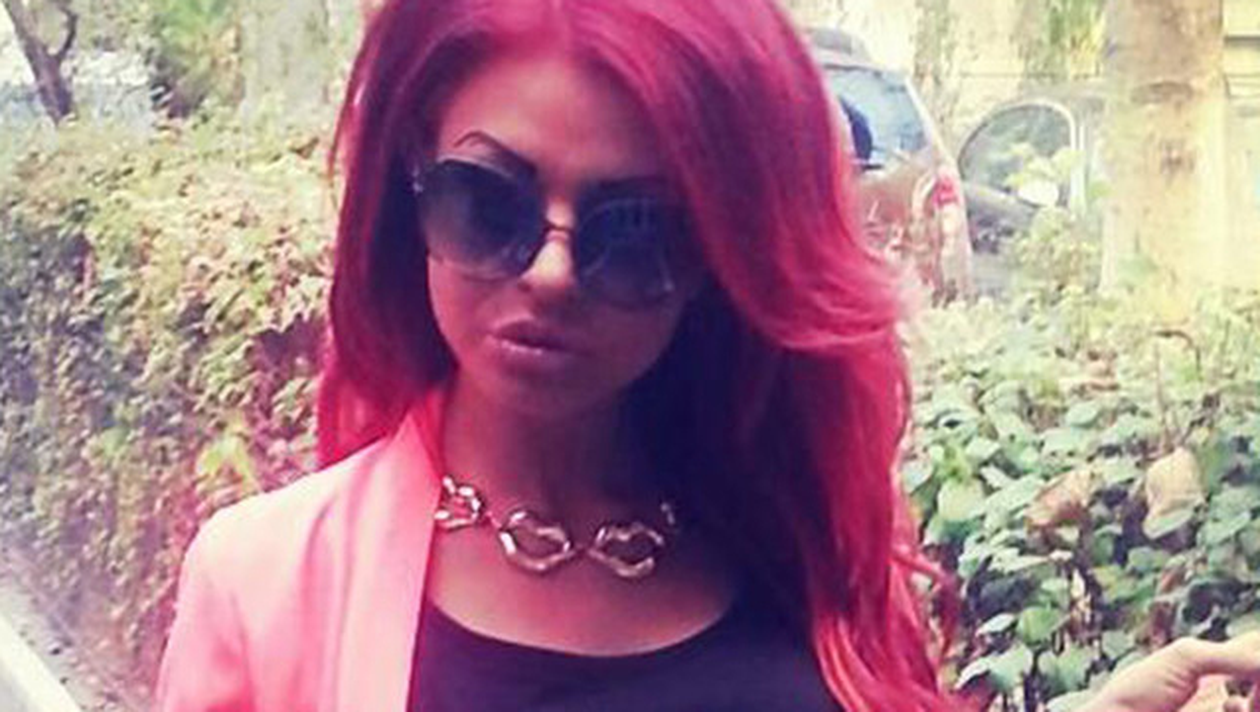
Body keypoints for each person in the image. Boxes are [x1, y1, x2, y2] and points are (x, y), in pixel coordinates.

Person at [153, 0, 1259, 710]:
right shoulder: (265, 587)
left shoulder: (803, 537)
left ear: (724, 261)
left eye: (635, 229)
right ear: (411, 198)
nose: (550, 271)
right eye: (487, 202)